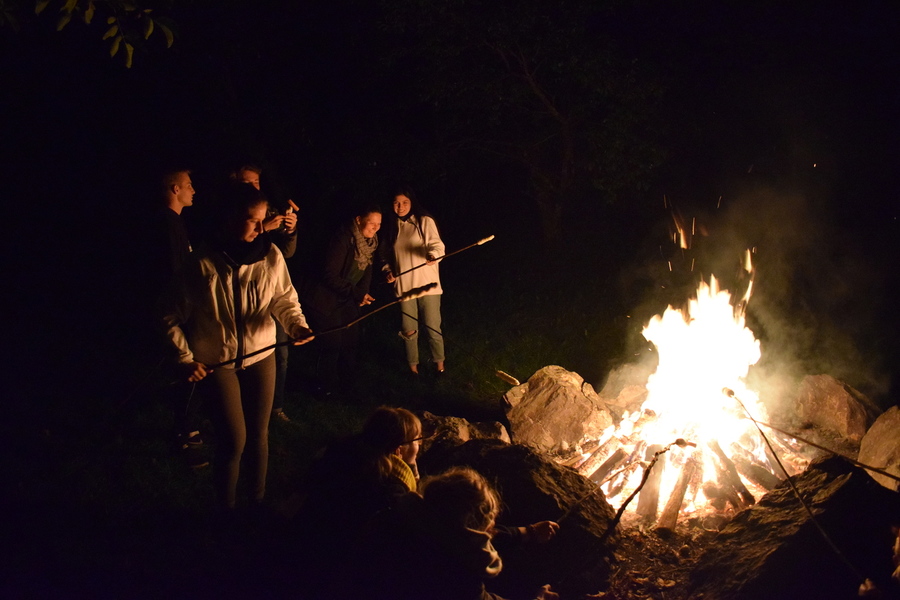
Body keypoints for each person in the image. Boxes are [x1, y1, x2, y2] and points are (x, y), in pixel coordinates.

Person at [163, 182, 314, 511]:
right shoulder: (201, 263)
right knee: (234, 440)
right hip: (218, 362)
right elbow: (169, 316)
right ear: (230, 219)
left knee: (259, 436)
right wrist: (184, 358)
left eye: (263, 220)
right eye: (252, 221)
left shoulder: (270, 255)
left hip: (262, 355)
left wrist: (296, 325)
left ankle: (256, 503)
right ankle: (226, 511)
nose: (261, 229)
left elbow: (284, 298)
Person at [357, 466, 560, 600]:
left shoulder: (396, 517)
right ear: (470, 529)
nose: (492, 526)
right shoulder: (458, 575)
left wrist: (528, 532)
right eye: (489, 523)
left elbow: (471, 538)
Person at [147, 167, 208, 468]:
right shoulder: (167, 224)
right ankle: (184, 433)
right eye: (188, 185)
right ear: (175, 189)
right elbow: (174, 272)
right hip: (177, 311)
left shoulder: (176, 222)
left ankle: (188, 426)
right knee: (187, 366)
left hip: (182, 307)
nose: (193, 190)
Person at [232, 163, 299, 423]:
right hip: (241, 300)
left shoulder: (269, 212)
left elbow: (286, 253)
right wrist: (265, 228)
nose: (253, 187)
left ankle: (274, 406)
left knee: (280, 353)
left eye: (256, 182)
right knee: (240, 359)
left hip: (268, 294)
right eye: (246, 182)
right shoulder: (229, 215)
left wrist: (290, 230)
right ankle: (237, 409)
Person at [302, 205, 381, 396]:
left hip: (347, 298)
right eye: (371, 223)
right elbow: (329, 275)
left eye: (379, 224)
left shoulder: (370, 243)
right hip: (325, 298)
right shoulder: (342, 238)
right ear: (358, 220)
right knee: (332, 344)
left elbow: (367, 270)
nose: (375, 227)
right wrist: (356, 293)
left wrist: (362, 293)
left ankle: (348, 387)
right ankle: (325, 388)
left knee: (350, 342)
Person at [381, 186, 446, 375]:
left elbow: (437, 245)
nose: (400, 207)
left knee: (432, 327)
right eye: (396, 203)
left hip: (428, 285)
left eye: (405, 202)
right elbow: (384, 256)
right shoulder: (391, 226)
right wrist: (388, 271)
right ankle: (413, 368)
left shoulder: (423, 221)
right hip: (404, 287)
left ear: (412, 203)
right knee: (409, 330)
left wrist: (433, 255)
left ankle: (440, 366)